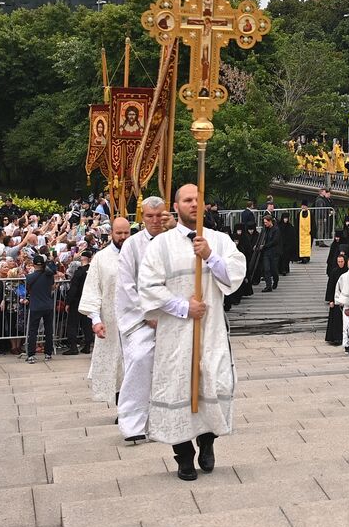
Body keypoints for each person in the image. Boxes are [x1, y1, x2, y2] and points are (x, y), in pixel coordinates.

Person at [137, 184, 245, 480]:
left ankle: (207, 441)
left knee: (214, 382)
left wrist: (210, 256)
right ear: (176, 206)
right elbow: (148, 286)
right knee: (178, 387)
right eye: (187, 200)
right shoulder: (161, 245)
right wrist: (184, 307)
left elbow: (235, 276)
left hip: (211, 331)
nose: (194, 204)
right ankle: (183, 456)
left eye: (198, 199)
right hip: (176, 332)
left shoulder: (219, 240)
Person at [114, 202, 169, 442]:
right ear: (142, 217)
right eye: (149, 216)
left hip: (173, 315)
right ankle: (133, 423)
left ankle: (168, 420)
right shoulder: (132, 245)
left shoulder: (175, 241)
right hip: (141, 318)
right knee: (139, 358)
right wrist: (148, 313)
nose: (155, 220)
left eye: (159, 215)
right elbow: (127, 285)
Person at [23, 256, 56, 362]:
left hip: (36, 305)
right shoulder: (49, 276)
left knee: (33, 331)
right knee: (49, 330)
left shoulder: (29, 277)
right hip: (48, 305)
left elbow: (28, 289)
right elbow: (52, 287)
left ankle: (31, 355)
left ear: (33, 264)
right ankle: (48, 353)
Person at [62, 250, 93, 355]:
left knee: (73, 324)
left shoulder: (79, 272)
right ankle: (87, 345)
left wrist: (68, 302)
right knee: (87, 323)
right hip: (88, 299)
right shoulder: (92, 271)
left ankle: (73, 347)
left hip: (77, 300)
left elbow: (74, 288)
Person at [324, 250, 347, 347]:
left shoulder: (348, 272)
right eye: (339, 262)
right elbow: (330, 286)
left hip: (345, 297)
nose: (340, 263)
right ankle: (335, 337)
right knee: (336, 319)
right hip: (336, 298)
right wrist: (331, 300)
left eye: (342, 261)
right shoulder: (334, 271)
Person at [258, 215, 281, 292]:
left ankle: (276, 280)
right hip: (266, 252)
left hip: (274, 252)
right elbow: (261, 238)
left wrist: (264, 246)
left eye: (266, 222)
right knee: (266, 269)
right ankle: (268, 286)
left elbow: (275, 241)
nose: (265, 224)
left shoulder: (276, 230)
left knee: (274, 269)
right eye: (264, 222)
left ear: (270, 221)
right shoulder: (264, 229)